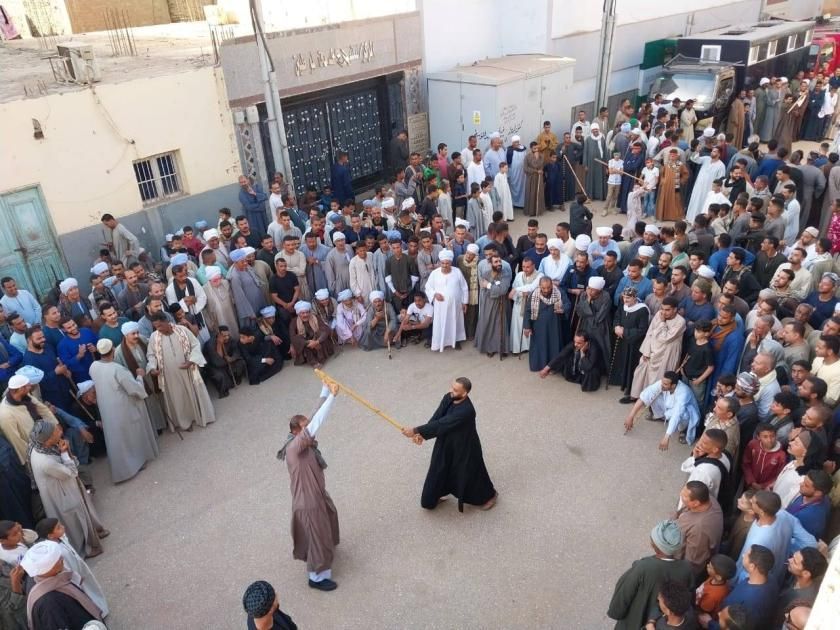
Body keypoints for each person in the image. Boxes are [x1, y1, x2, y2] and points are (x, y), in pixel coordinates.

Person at [400, 377, 497, 512]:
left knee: (471, 472)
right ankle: (432, 498)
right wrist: (421, 435)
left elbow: (443, 423)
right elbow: (437, 417)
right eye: (451, 387)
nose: (451, 391)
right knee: (438, 468)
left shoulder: (467, 411)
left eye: (455, 390)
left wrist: (415, 430)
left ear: (464, 393)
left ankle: (489, 496)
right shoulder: (448, 397)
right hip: (445, 441)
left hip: (465, 446)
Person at [279, 381, 341, 591]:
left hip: (315, 495)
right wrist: (333, 397)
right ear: (297, 432)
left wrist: (325, 389)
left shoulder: (298, 439)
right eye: (305, 427)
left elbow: (313, 417)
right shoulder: (294, 447)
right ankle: (316, 578)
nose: (309, 428)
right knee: (316, 538)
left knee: (328, 517)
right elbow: (316, 423)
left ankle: (325, 551)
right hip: (308, 502)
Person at [27, 420, 106, 558]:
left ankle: (94, 532)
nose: (60, 432)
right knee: (74, 522)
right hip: (62, 495)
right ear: (48, 439)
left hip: (64, 487)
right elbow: (71, 472)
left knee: (82, 511)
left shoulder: (38, 445)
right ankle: (85, 549)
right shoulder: (46, 462)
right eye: (56, 431)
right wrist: (65, 453)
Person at [89, 338, 158, 483]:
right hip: (123, 408)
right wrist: (140, 376)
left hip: (107, 410)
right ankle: (135, 464)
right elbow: (135, 389)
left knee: (116, 439)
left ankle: (122, 470)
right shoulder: (117, 369)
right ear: (113, 350)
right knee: (129, 436)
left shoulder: (93, 366)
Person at [607, 520, 693, 630]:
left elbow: (623, 596)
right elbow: (688, 601)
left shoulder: (642, 567)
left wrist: (616, 612)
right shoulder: (687, 568)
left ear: (653, 545)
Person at [145, 313, 215, 431]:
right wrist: (152, 368)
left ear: (166, 321)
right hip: (169, 375)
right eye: (156, 327)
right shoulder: (154, 337)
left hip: (188, 370)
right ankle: (185, 422)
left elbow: (195, 344)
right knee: (178, 398)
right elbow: (151, 355)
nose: (158, 329)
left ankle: (198, 417)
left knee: (192, 392)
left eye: (160, 325)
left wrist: (191, 361)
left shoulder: (182, 330)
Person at [35, 517, 109, 619]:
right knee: (85, 594)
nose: (63, 527)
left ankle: (101, 607)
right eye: (58, 527)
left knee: (91, 587)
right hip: (75, 577)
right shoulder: (56, 552)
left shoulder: (61, 538)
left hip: (80, 568)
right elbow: (64, 568)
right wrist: (76, 578)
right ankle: (97, 612)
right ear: (50, 536)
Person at [20, 540, 105, 629]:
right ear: (49, 567)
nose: (62, 559)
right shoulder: (49, 604)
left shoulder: (43, 577)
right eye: (58, 559)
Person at [624, 372, 701, 450]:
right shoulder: (663, 383)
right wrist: (631, 417)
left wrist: (666, 437)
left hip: (685, 413)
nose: (662, 385)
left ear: (673, 385)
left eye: (665, 384)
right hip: (670, 407)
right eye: (662, 382)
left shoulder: (683, 392)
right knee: (652, 395)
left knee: (684, 415)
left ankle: (684, 430)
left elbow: (677, 415)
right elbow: (645, 395)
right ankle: (661, 416)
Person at [630, 297, 686, 400]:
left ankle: (655, 404)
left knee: (661, 378)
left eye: (667, 310)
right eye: (662, 309)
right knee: (641, 372)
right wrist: (646, 351)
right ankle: (639, 397)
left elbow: (666, 338)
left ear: (675, 309)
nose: (664, 312)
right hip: (652, 350)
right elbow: (650, 332)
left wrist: (662, 322)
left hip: (668, 353)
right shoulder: (659, 314)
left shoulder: (680, 322)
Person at [611, 287, 650, 401]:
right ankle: (621, 382)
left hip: (634, 343)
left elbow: (642, 329)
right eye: (624, 297)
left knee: (631, 364)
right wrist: (616, 327)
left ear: (634, 297)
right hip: (622, 340)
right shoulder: (623, 306)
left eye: (628, 298)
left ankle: (630, 387)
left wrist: (625, 332)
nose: (625, 300)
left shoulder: (642, 310)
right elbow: (617, 317)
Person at [426, 250, 468, 352]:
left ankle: (456, 341)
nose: (445, 265)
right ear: (440, 263)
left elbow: (464, 287)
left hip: (455, 305)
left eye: (447, 263)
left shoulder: (457, 271)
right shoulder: (435, 273)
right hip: (441, 306)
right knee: (440, 323)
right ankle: (441, 342)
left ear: (451, 263)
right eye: (443, 263)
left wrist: (464, 302)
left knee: (455, 322)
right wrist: (435, 294)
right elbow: (428, 287)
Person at [523, 276, 566, 372]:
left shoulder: (559, 292)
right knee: (539, 346)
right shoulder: (534, 294)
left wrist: (563, 309)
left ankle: (553, 367)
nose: (546, 290)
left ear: (552, 285)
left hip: (554, 326)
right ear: (539, 286)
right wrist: (527, 327)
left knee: (554, 346)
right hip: (538, 327)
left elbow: (567, 304)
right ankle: (540, 365)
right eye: (543, 288)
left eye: (548, 287)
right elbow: (528, 311)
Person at [474, 254, 512, 358]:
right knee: (489, 324)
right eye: (496, 262)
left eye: (499, 261)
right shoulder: (485, 274)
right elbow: (484, 289)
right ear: (490, 264)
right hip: (489, 303)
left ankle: (503, 348)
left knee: (501, 325)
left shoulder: (505, 274)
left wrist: (489, 285)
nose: (499, 263)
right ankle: (490, 348)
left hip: (502, 303)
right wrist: (494, 289)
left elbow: (503, 290)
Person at [203, 326, 246, 397]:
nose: (227, 337)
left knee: (241, 363)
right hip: (215, 366)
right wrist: (219, 344)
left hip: (227, 362)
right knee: (220, 376)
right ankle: (223, 391)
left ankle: (236, 378)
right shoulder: (210, 344)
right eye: (224, 336)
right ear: (219, 335)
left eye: (228, 335)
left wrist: (232, 358)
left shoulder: (230, 339)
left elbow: (236, 351)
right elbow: (217, 362)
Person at [289, 301, 335, 368]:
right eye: (302, 313)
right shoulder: (294, 321)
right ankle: (313, 362)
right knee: (299, 338)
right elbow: (292, 336)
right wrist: (308, 342)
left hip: (317, 340)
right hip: (305, 343)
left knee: (321, 333)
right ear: (298, 314)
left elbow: (325, 329)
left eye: (307, 312)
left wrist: (317, 342)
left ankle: (321, 360)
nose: (305, 315)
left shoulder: (315, 317)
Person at [687, 146, 726, 223]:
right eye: (712, 151)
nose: (712, 152)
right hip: (698, 186)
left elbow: (720, 180)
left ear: (719, 154)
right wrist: (697, 151)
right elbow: (694, 159)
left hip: (708, 189)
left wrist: (715, 190)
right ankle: (690, 219)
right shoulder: (706, 159)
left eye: (714, 151)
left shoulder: (721, 166)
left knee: (703, 204)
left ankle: (699, 221)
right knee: (694, 201)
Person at [523, 142, 545, 216]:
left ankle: (538, 210)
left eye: (537, 148)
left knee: (538, 193)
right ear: (531, 148)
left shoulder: (541, 156)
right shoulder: (527, 156)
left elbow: (540, 165)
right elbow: (526, 168)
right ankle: (531, 211)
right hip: (531, 178)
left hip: (539, 177)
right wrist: (535, 171)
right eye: (534, 148)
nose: (536, 150)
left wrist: (538, 158)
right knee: (531, 194)